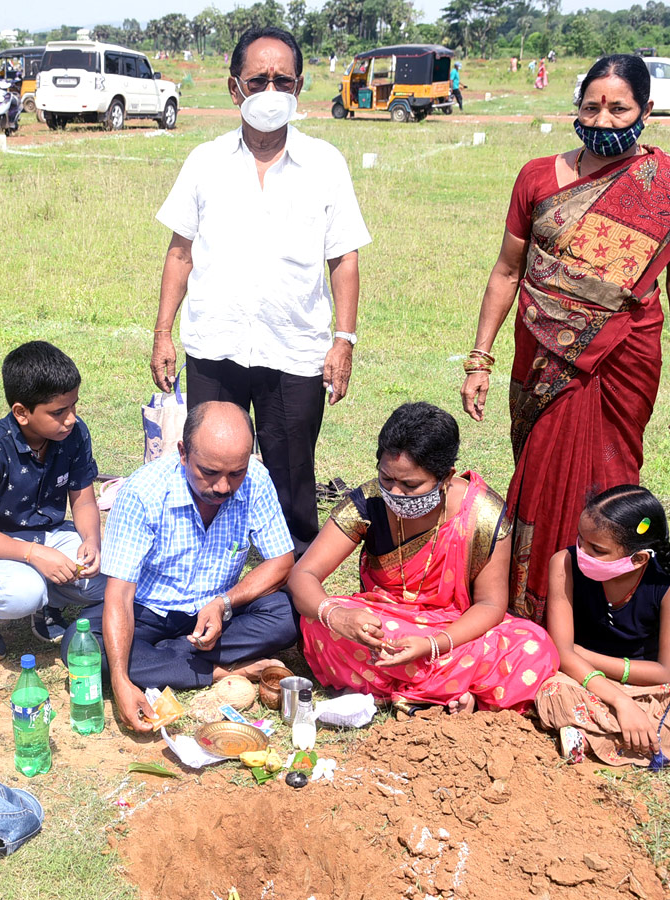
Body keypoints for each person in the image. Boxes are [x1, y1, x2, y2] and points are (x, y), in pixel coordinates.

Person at [459, 55, 670, 625]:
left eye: (618, 108)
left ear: (646, 111)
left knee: (613, 468)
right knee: (544, 469)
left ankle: (612, 612)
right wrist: (480, 357)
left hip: (625, 354)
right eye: (591, 107)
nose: (602, 120)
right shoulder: (536, 177)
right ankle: (532, 602)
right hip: (545, 355)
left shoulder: (665, 184)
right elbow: (507, 271)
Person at [151, 25, 371, 556]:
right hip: (215, 344)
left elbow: (344, 258)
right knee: (210, 466)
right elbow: (180, 252)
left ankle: (292, 568)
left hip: (293, 349)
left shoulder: (325, 164)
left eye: (283, 81)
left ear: (298, 88)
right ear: (234, 89)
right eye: (258, 80)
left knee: (292, 470)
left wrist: (343, 340)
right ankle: (206, 558)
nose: (270, 92)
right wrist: (162, 334)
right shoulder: (204, 162)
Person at [289, 403, 559, 714]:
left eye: (410, 485)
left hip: (455, 631)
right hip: (385, 627)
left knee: (533, 645)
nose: (396, 494)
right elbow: (303, 575)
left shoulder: (482, 514)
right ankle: (452, 692)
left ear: (446, 477)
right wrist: (338, 616)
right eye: (387, 479)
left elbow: (490, 605)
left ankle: (409, 690)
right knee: (314, 622)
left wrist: (433, 645)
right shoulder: (368, 503)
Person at [76, 401, 298, 732]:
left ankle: (165, 661)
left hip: (218, 613)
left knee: (288, 615)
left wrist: (224, 602)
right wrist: (121, 682)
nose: (223, 486)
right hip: (147, 612)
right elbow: (120, 595)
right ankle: (221, 671)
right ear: (183, 453)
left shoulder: (257, 481)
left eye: (236, 473)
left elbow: (282, 560)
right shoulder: (142, 493)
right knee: (85, 644)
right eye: (208, 472)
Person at [0, 341, 103, 661]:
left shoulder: (74, 435)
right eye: (59, 412)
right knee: (22, 594)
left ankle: (48, 604)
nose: (71, 419)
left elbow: (84, 502)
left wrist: (91, 541)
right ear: (21, 412)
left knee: (109, 577)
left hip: (50, 534)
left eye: (74, 406)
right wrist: (37, 555)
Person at [536, 486, 670, 766]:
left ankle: (589, 736)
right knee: (551, 688)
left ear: (639, 559)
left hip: (647, 683)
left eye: (596, 549)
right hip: (580, 678)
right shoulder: (564, 563)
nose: (582, 551)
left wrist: (583, 653)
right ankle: (633, 736)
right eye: (580, 539)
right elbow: (562, 655)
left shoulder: (664, 588)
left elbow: (664, 671)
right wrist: (621, 702)